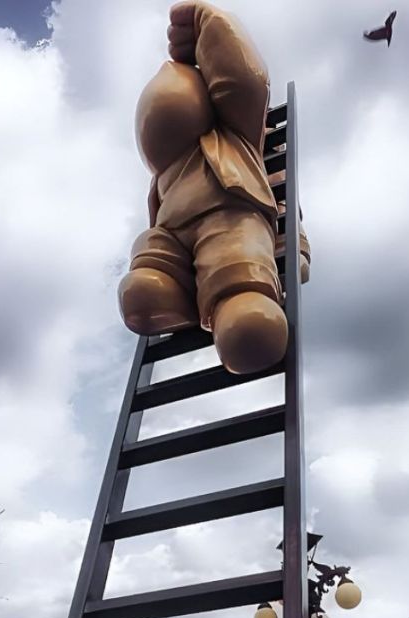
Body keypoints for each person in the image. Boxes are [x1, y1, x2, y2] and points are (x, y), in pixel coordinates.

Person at [118, 2, 310, 375]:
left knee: (247, 314)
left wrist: (212, 24)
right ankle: (174, 296)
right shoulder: (164, 180)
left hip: (229, 218)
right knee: (143, 292)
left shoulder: (236, 137)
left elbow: (244, 81)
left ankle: (240, 308)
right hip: (172, 230)